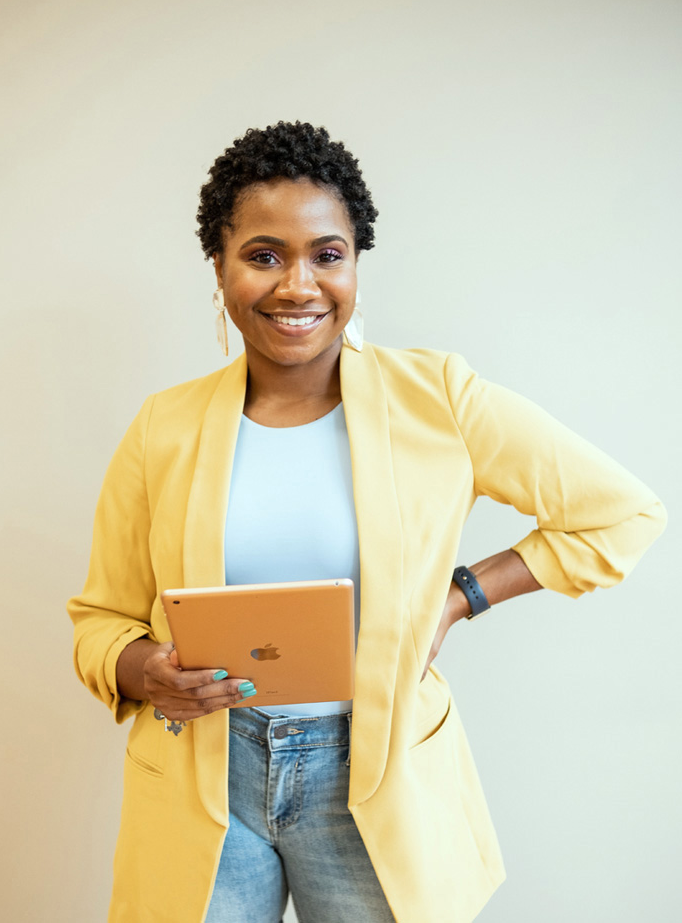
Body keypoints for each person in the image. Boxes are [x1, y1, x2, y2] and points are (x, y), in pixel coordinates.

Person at [68, 122, 666, 923]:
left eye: (327, 253)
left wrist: (460, 596)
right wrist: (145, 671)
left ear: (355, 263)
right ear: (220, 265)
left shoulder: (439, 398)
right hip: (205, 775)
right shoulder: (162, 428)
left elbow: (621, 513)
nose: (298, 286)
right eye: (265, 255)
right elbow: (99, 619)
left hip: (375, 778)